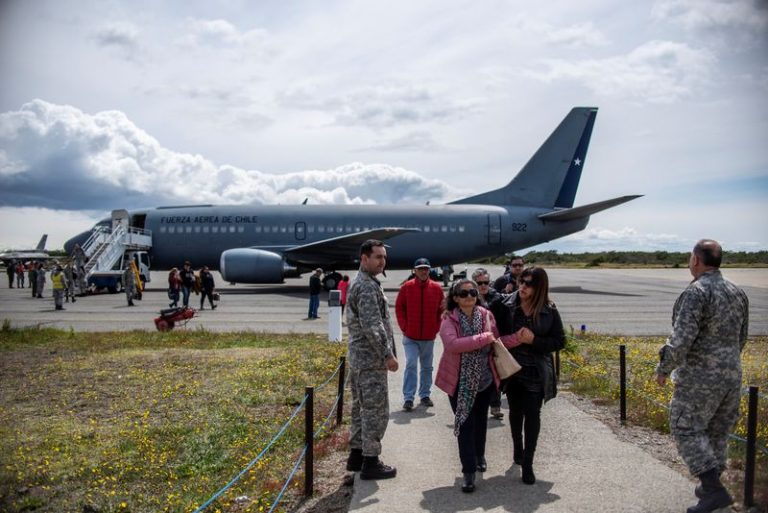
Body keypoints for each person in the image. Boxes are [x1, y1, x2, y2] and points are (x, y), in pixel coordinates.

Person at [655, 240, 749, 513]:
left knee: (684, 426)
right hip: (731, 375)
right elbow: (741, 337)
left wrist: (664, 369)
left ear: (696, 260)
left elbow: (681, 339)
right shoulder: (737, 291)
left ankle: (713, 491)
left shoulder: (697, 292)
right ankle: (711, 489)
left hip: (699, 377)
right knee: (717, 432)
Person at [436, 278, 520, 493]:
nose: (470, 297)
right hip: (459, 383)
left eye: (473, 292)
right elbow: (453, 345)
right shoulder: (449, 319)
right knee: (465, 424)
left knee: (481, 422)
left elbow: (496, 342)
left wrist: (519, 338)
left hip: (485, 381)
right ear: (455, 298)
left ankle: (480, 454)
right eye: (464, 294)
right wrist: (482, 338)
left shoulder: (487, 315)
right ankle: (468, 471)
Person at [500, 266, 565, 485]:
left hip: (536, 372)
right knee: (515, 413)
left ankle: (528, 462)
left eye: (528, 283)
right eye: (521, 281)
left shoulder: (549, 309)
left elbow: (559, 341)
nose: (523, 287)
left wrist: (534, 341)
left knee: (533, 415)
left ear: (539, 287)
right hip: (512, 370)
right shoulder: (508, 305)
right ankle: (517, 448)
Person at [345, 239, 399, 480]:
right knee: (375, 411)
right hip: (370, 361)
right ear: (364, 259)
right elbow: (373, 326)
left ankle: (357, 455)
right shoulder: (366, 286)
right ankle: (371, 461)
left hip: (361, 360)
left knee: (360, 409)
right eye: (378, 257)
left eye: (384, 257)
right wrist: (388, 355)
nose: (382, 261)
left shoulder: (364, 283)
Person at [395, 257, 445, 411]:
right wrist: (405, 327)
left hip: (428, 337)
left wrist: (436, 327)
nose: (424, 271)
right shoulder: (406, 287)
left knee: (427, 367)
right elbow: (399, 308)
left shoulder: (437, 288)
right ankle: (408, 398)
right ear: (414, 270)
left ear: (429, 270)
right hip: (410, 336)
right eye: (420, 268)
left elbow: (442, 311)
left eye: (426, 268)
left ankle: (424, 395)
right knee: (411, 364)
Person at [473, 268, 509, 420]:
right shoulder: (469, 297)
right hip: (474, 343)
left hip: (494, 342)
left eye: (486, 282)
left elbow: (506, 319)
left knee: (495, 374)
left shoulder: (497, 298)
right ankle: (473, 407)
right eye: (479, 283)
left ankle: (495, 406)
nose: (483, 285)